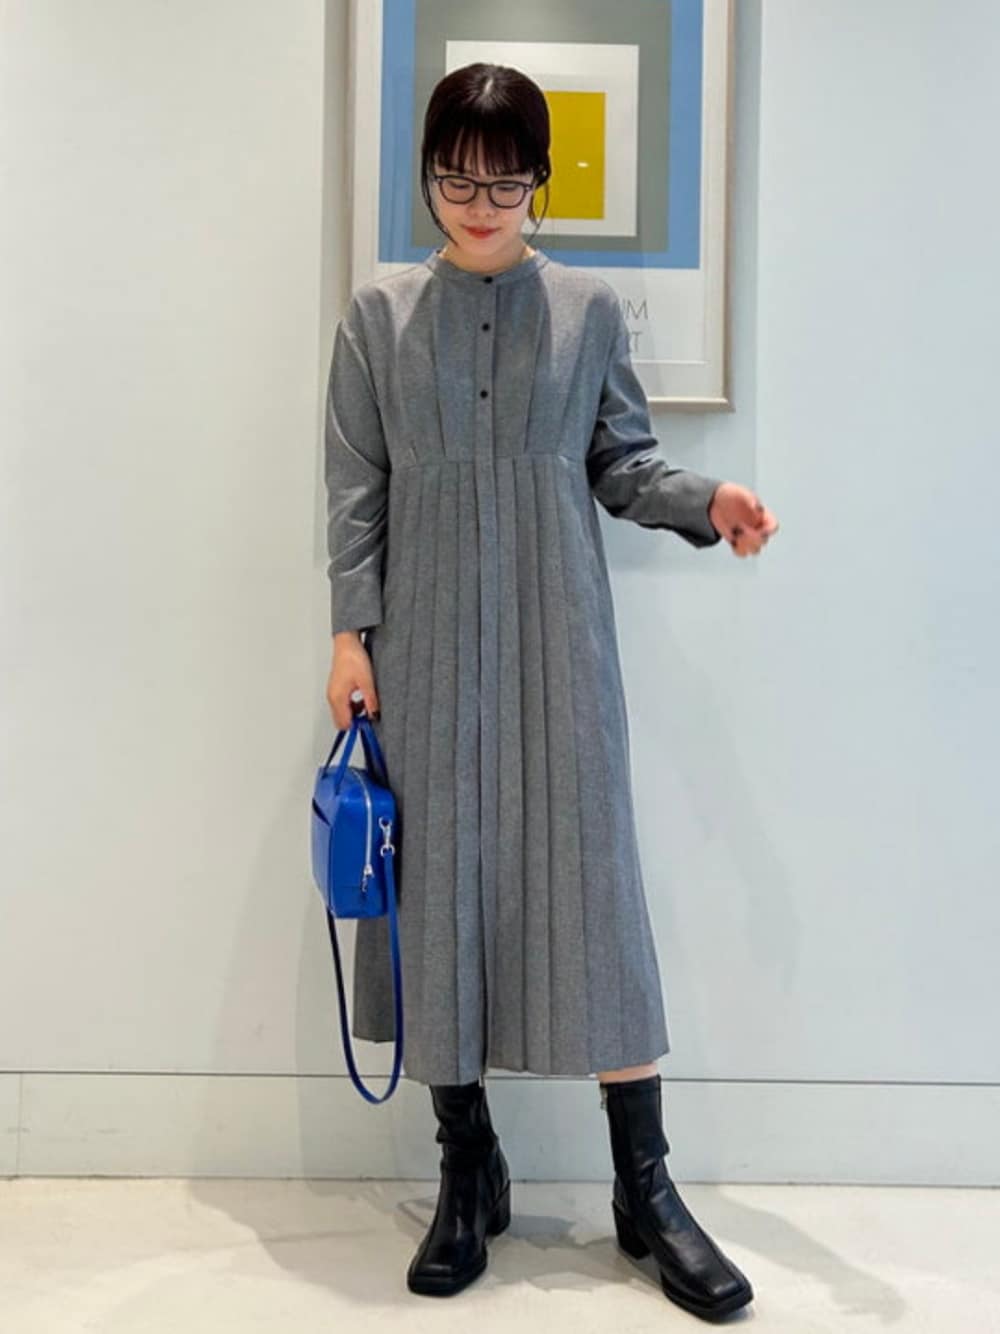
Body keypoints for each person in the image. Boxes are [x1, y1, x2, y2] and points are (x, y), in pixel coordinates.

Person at [323, 62, 778, 1317]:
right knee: (436, 888)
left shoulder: (584, 310)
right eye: (456, 179)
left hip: (558, 638)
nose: (479, 203)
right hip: (418, 643)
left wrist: (708, 500)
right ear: (426, 176)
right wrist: (350, 635)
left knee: (591, 888)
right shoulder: (377, 314)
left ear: (540, 179)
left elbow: (623, 464)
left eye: (503, 179)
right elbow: (356, 487)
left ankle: (647, 1186)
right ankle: (467, 1166)